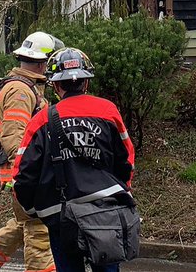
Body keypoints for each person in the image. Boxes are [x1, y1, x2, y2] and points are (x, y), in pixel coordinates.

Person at [12, 48, 136, 272]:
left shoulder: (42, 120)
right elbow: (126, 160)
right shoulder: (108, 111)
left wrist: (33, 209)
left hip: (61, 218)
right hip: (105, 213)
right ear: (86, 82)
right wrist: (121, 191)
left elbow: (23, 175)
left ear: (56, 85)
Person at [0, 32, 61, 272]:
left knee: (24, 220)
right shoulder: (20, 91)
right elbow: (14, 136)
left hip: (23, 169)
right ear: (42, 63)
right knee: (39, 225)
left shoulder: (26, 87)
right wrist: (28, 172)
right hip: (24, 170)